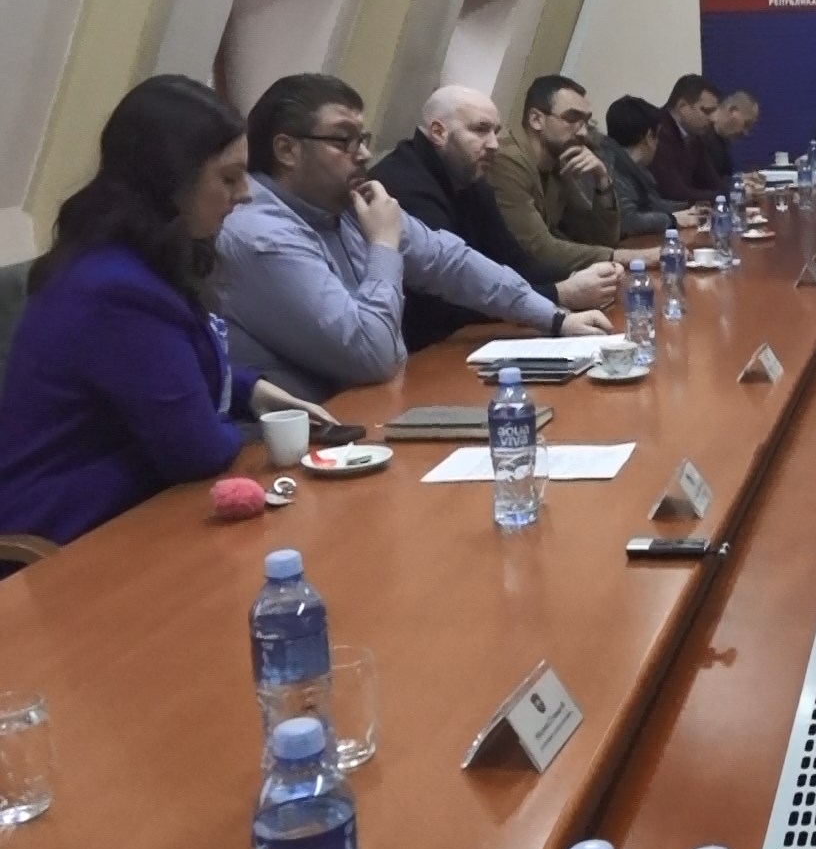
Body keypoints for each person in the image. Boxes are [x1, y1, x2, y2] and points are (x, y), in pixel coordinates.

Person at [0, 76, 335, 548]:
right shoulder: (114, 289)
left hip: (131, 512)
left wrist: (253, 390)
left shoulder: (135, 257)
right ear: (169, 182)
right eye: (228, 177)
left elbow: (165, 367)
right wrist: (247, 429)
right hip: (65, 536)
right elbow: (197, 452)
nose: (245, 193)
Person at [216, 74, 612, 400]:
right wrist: (384, 244)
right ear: (286, 150)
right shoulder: (261, 234)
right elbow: (371, 356)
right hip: (297, 438)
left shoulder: (347, 201)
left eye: (363, 138)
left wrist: (555, 319)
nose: (363, 154)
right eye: (343, 140)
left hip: (367, 406)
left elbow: (450, 262)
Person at [370, 85, 624, 351]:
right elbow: (445, 295)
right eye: (480, 130)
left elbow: (513, 260)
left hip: (460, 337)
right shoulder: (403, 186)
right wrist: (560, 292)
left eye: (496, 131)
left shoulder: (471, 179)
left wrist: (581, 276)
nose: (493, 144)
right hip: (419, 347)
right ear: (438, 132)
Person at [490, 74, 644, 275]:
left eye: (586, 122)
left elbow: (601, 239)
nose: (582, 133)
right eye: (572, 119)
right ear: (536, 119)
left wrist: (602, 180)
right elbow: (540, 250)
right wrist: (629, 257)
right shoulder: (506, 161)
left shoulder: (558, 164)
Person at [602, 94, 701, 238]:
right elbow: (628, 222)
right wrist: (672, 219)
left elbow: (651, 204)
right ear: (649, 137)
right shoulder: (612, 168)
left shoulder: (630, 166)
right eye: (658, 136)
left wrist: (688, 209)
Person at [651, 74, 724, 202]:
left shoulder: (695, 135)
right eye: (706, 111)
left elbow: (712, 182)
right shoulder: (657, 133)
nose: (713, 119)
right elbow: (675, 194)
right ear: (682, 107)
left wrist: (737, 189)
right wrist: (724, 196)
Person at [706, 91, 760, 181]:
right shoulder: (699, 137)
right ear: (732, 110)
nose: (745, 132)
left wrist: (742, 179)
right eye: (746, 124)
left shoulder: (724, 142)